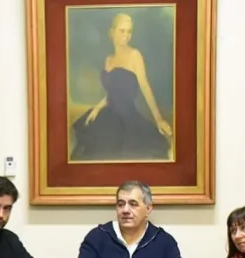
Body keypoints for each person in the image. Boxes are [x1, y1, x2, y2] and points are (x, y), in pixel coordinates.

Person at [71, 13, 172, 161]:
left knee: (122, 149)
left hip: (127, 116)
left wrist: (159, 119)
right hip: (108, 113)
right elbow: (112, 93)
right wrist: (97, 108)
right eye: (122, 30)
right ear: (112, 32)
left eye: (129, 31)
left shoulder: (134, 55)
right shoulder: (108, 60)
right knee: (91, 145)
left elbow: (145, 87)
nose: (126, 35)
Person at [75, 180, 189, 258]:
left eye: (133, 204)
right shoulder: (97, 237)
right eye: (120, 204)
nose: (125, 210)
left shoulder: (163, 240)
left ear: (148, 208)